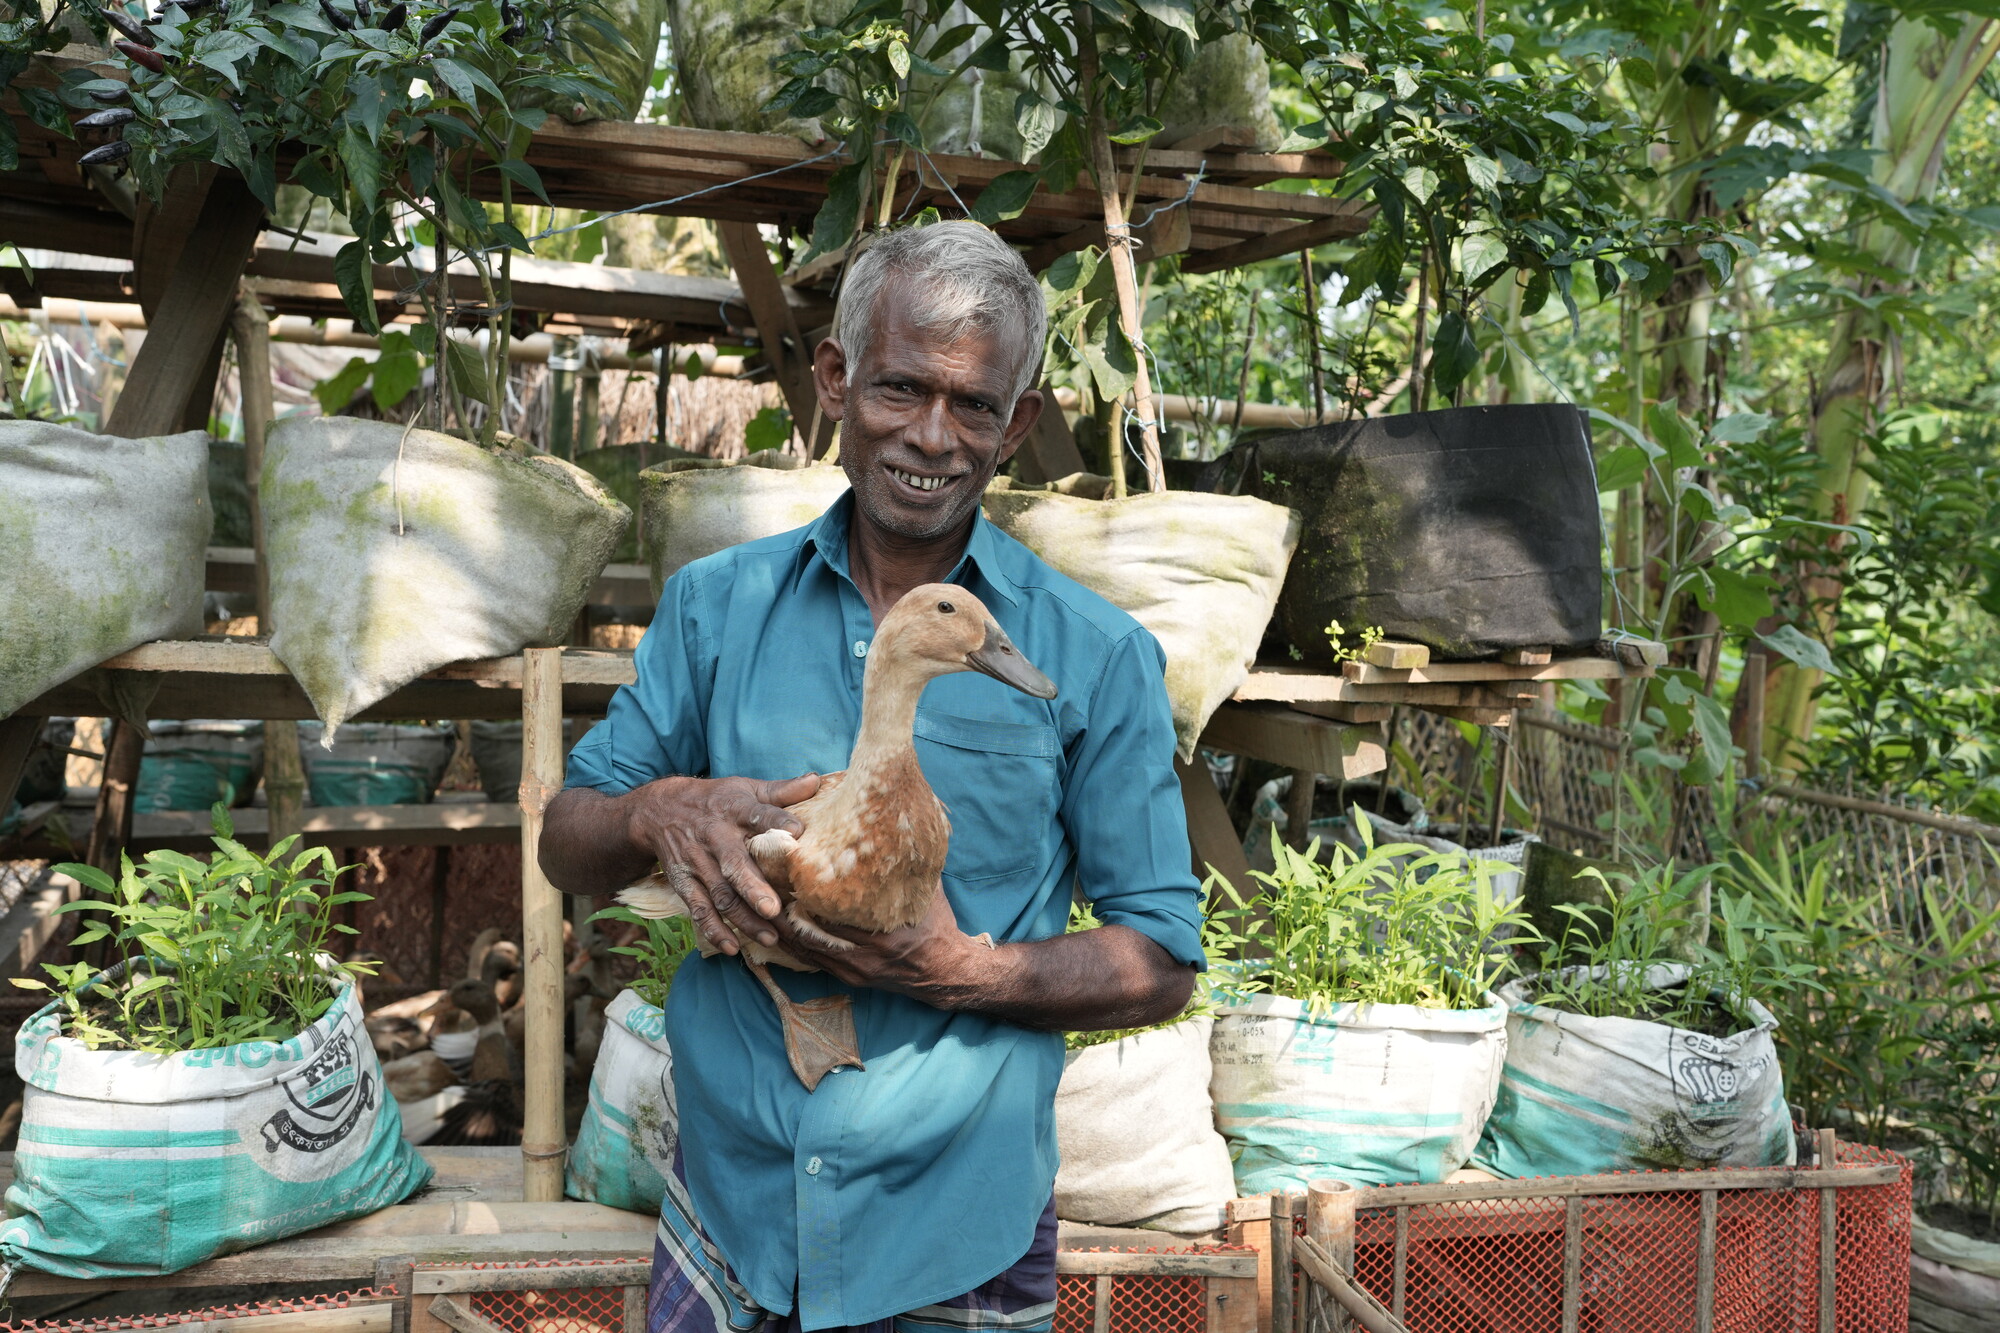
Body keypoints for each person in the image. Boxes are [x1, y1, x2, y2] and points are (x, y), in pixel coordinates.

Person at [538, 221, 1203, 1333]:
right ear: (836, 380)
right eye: (900, 388)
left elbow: (1161, 957)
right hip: (733, 1198)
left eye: (974, 405)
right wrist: (660, 810)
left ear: (1017, 422)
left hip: (957, 1217)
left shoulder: (1092, 655)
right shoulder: (714, 609)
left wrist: (960, 971)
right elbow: (567, 839)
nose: (933, 436)